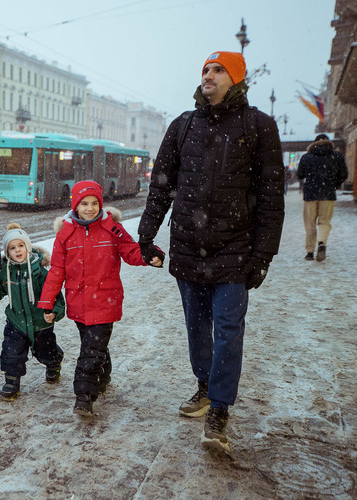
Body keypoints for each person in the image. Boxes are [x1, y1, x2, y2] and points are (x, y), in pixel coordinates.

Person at [138, 51, 285, 453]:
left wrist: (263, 256)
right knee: (197, 327)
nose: (209, 75)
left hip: (234, 250)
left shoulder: (259, 126)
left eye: (218, 70)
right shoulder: (183, 125)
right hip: (187, 246)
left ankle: (220, 405)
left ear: (235, 79)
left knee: (229, 329)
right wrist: (146, 235)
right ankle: (204, 385)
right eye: (205, 69)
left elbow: (271, 198)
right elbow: (161, 186)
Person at [38, 181, 163, 418]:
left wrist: (150, 256)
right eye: (84, 203)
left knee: (91, 350)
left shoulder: (111, 228)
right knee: (93, 346)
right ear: (74, 205)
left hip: (105, 300)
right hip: (78, 301)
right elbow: (56, 271)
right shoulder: (65, 234)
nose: (90, 208)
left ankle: (84, 396)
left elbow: (131, 251)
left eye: (95, 203)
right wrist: (47, 302)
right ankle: (103, 376)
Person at [0, 223, 66, 401]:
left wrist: (55, 313)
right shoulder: (6, 273)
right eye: (12, 248)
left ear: (28, 247)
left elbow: (57, 298)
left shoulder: (40, 273)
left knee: (46, 352)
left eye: (21, 246)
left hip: (41, 323)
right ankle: (11, 383)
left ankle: (54, 363)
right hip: (16, 322)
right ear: (8, 252)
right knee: (11, 353)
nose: (17, 250)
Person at [296, 133, 348, 262]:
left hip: (310, 195)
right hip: (328, 193)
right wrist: (334, 184)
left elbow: (300, 175)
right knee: (324, 222)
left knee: (310, 223)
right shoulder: (336, 156)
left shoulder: (306, 157)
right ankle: (321, 243)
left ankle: (309, 252)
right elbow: (344, 174)